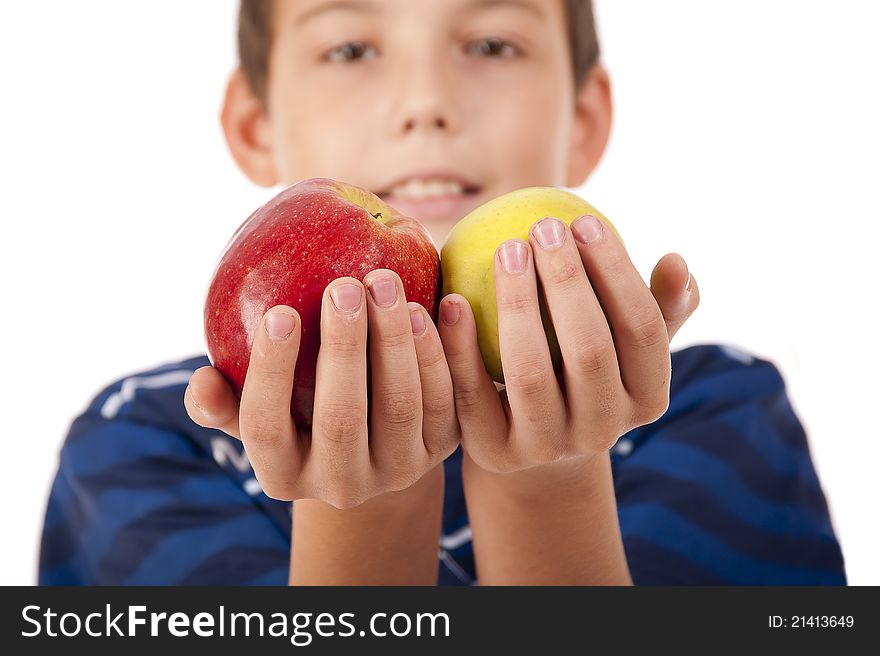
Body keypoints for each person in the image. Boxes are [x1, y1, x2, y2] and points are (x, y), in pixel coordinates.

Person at [39, 0, 846, 585]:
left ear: (586, 118)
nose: (427, 104)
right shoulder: (145, 442)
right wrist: (362, 505)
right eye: (351, 50)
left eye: (493, 44)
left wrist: (551, 482)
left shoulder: (716, 410)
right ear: (253, 124)